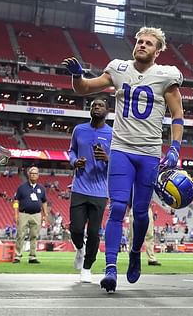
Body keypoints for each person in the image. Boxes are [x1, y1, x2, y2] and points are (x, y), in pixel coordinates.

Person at [62, 27, 185, 293]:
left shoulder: (166, 75)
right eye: (139, 41)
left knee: (140, 213)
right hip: (121, 150)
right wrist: (76, 75)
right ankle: (110, 268)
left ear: (158, 50)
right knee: (117, 207)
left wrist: (175, 147)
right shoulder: (118, 68)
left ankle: (136, 251)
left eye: (148, 43)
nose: (142, 45)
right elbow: (84, 88)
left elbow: (177, 115)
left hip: (150, 153)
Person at [68, 99, 112, 283]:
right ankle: (80, 248)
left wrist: (108, 158)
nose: (96, 107)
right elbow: (71, 151)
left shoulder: (112, 134)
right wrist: (74, 161)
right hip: (79, 187)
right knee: (76, 229)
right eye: (94, 105)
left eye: (100, 105)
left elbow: (119, 160)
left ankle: (87, 268)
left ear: (107, 112)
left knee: (94, 232)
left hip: (100, 191)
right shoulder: (79, 129)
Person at [13, 166, 48, 263]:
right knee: (20, 235)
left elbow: (44, 202)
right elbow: (16, 200)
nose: (33, 175)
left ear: (38, 175)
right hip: (23, 214)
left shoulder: (41, 188)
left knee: (34, 236)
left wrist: (45, 214)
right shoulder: (22, 187)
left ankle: (32, 256)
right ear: (28, 175)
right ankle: (18, 255)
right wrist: (15, 213)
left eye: (35, 173)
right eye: (31, 173)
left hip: (36, 214)